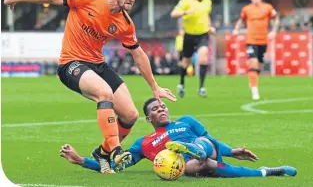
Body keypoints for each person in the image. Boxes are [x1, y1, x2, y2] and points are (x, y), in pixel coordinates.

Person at [4, 0, 176, 174]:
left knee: (130, 115)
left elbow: (138, 55)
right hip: (71, 63)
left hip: (97, 64)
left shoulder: (125, 23)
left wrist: (154, 86)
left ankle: (102, 153)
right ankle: (116, 150)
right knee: (104, 93)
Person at [60, 98, 297, 178]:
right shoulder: (143, 143)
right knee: (206, 164)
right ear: (148, 118)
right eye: (155, 109)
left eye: (163, 106)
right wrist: (82, 160)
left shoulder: (186, 121)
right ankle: (267, 171)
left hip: (202, 147)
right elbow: (115, 166)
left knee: (205, 146)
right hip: (185, 165)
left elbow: (211, 139)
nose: (161, 109)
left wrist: (231, 150)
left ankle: (192, 148)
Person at [171, 0, 216, 98]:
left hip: (203, 34)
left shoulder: (208, 2)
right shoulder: (186, 0)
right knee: (186, 62)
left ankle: (201, 87)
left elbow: (206, 15)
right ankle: (181, 83)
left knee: (204, 58)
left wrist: (210, 27)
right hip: (189, 35)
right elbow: (174, 13)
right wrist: (185, 12)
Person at [233, 0, 279, 100]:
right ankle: (255, 91)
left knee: (259, 65)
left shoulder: (268, 8)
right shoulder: (246, 9)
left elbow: (276, 20)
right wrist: (236, 29)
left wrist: (274, 31)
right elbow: (241, 20)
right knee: (253, 63)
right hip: (251, 40)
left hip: (263, 41)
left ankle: (253, 80)